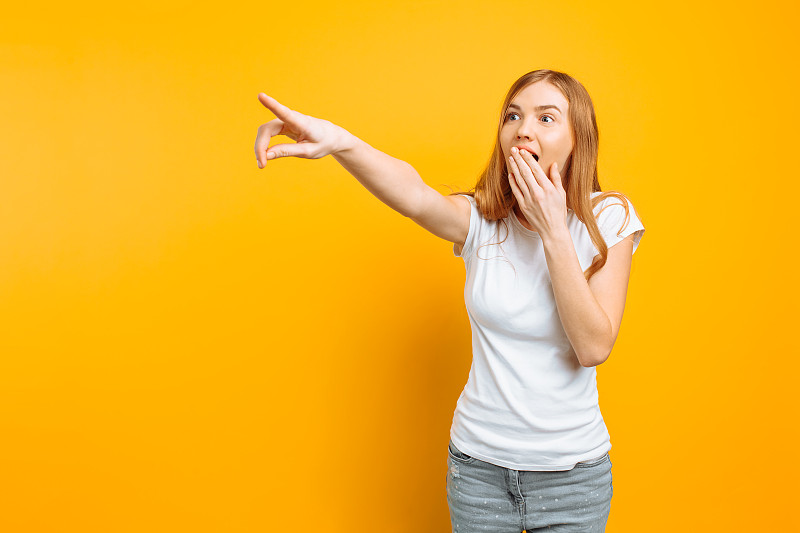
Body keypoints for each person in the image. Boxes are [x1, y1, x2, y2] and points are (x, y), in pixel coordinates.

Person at [253, 69, 645, 532]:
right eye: (513, 116)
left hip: (573, 480)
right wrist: (340, 142)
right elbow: (416, 196)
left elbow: (593, 347)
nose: (523, 128)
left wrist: (553, 229)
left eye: (546, 118)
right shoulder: (484, 220)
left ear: (578, 138)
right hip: (479, 471)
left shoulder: (609, 217)